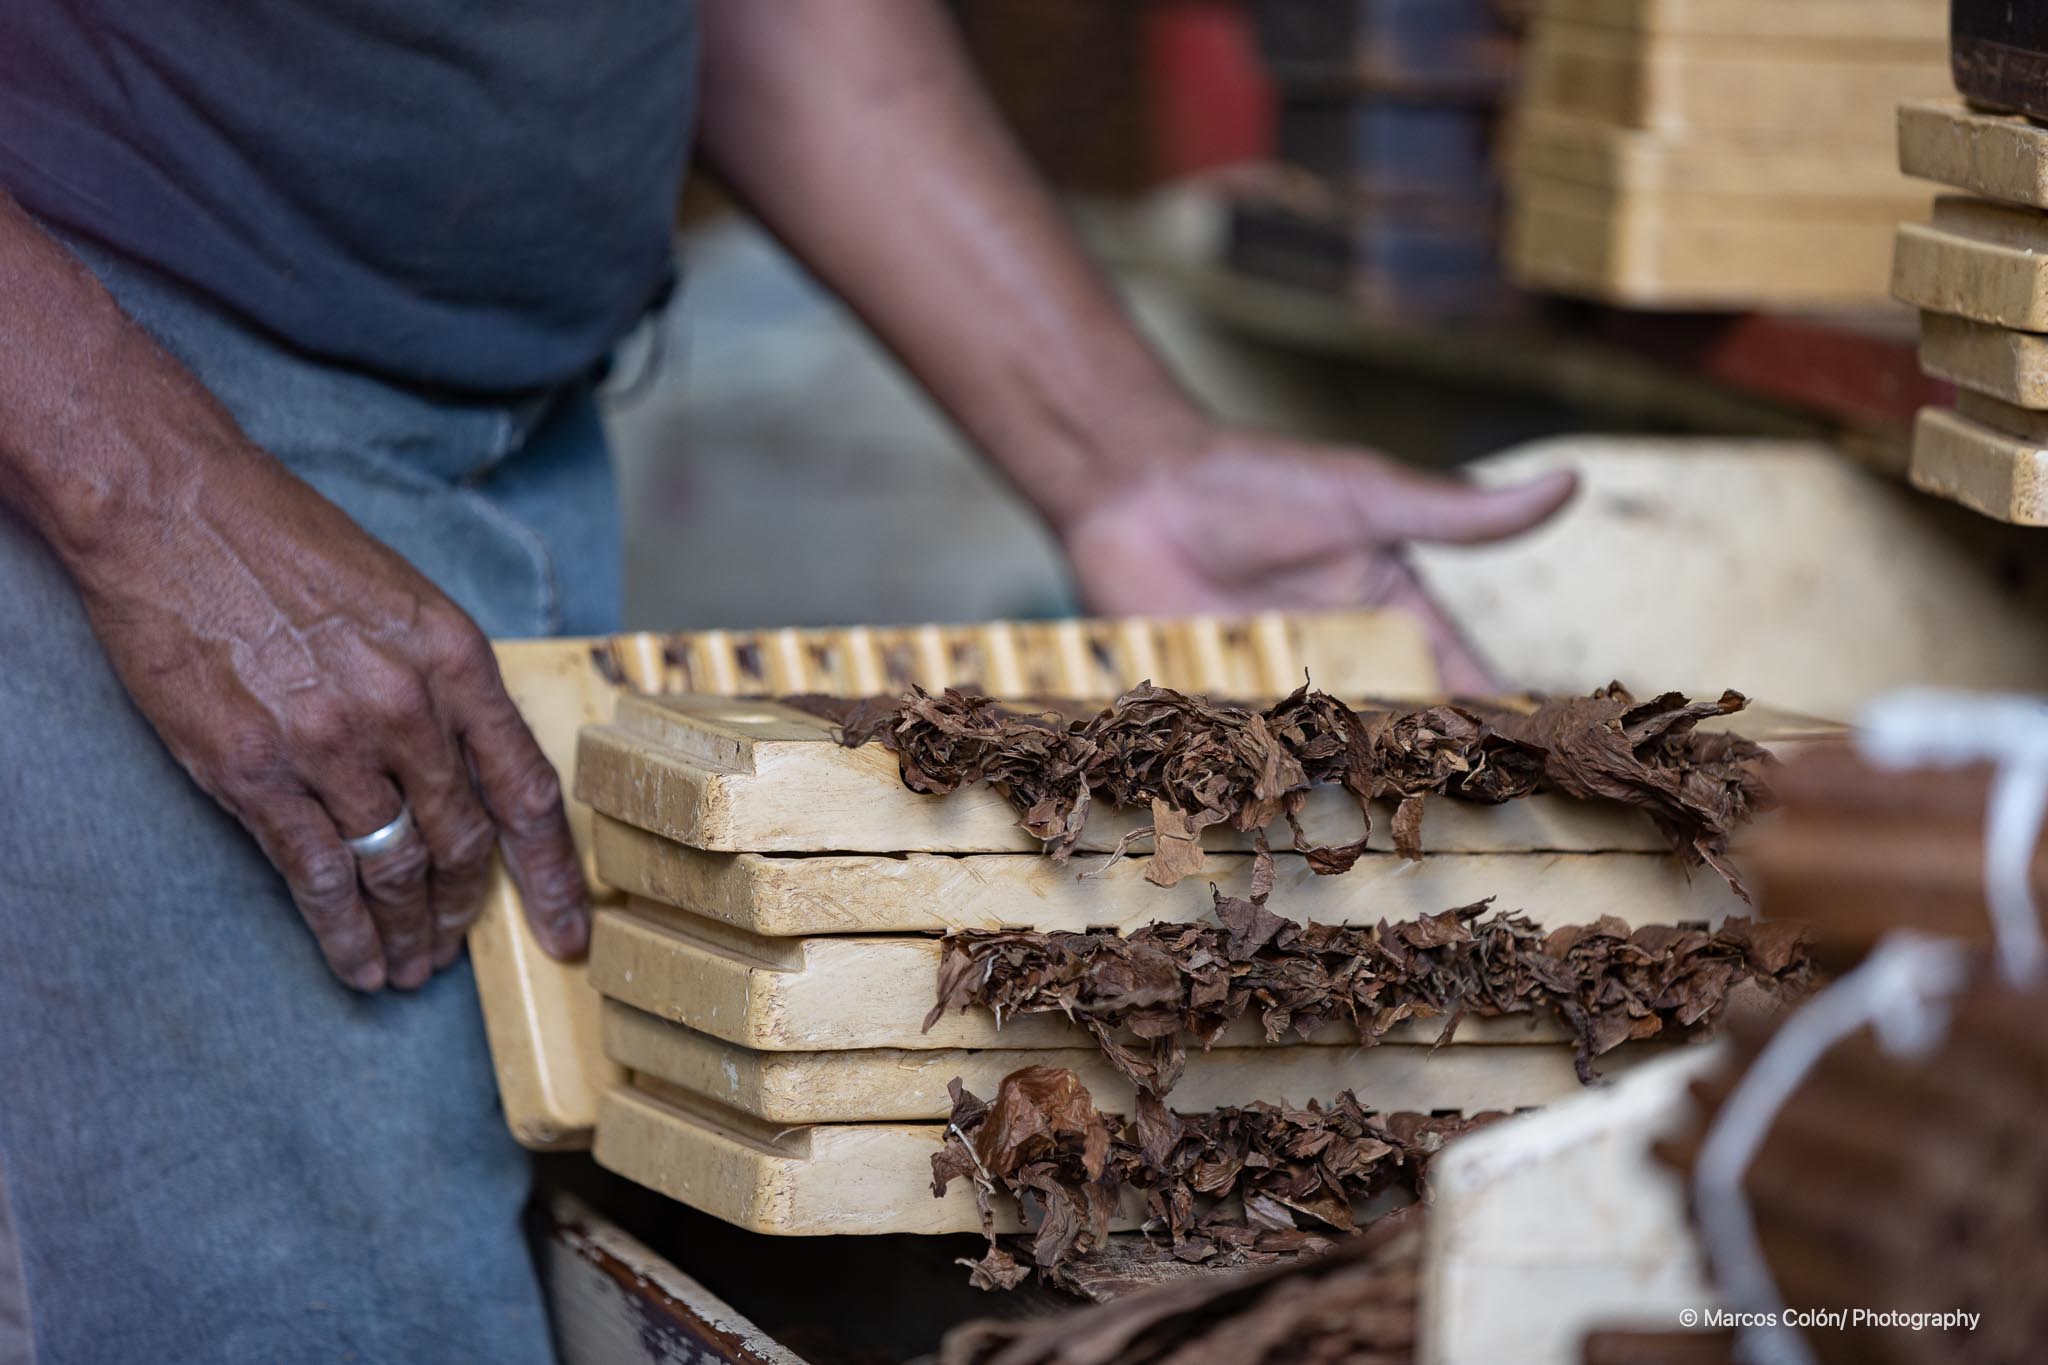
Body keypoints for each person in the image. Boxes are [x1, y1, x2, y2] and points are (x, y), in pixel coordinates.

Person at [0, 3, 1574, 1360]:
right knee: (334, 1300)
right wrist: (143, 490)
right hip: (103, 403)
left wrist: (1123, 463)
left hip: (510, 409)